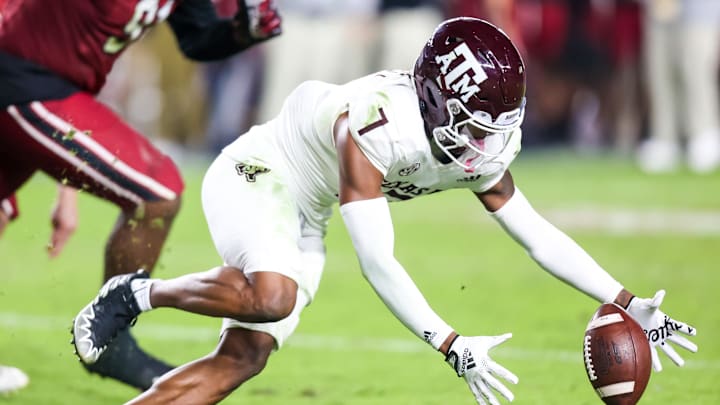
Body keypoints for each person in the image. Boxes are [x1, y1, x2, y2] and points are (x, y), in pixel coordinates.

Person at [72, 18, 697, 405]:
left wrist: (626, 299)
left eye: (496, 126)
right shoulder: (377, 125)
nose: (487, 144)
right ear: (432, 100)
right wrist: (450, 343)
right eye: (476, 126)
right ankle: (136, 294)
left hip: (307, 213)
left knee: (244, 358)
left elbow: (534, 234)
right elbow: (377, 260)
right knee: (274, 295)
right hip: (260, 173)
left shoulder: (471, 142)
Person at [0, 0, 281, 391]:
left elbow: (198, 40)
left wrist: (246, 30)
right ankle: (109, 334)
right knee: (156, 190)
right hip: (21, 77)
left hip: (54, 89)